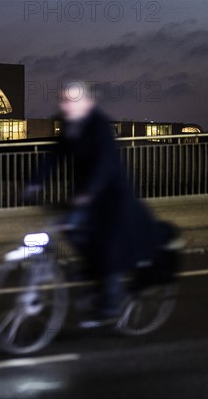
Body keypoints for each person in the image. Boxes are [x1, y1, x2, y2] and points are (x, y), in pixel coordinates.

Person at [26, 81, 161, 325]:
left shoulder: (99, 127)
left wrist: (87, 194)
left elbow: (105, 165)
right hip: (87, 195)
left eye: (71, 100)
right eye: (63, 99)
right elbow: (55, 155)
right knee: (71, 229)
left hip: (112, 198)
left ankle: (111, 303)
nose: (65, 104)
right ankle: (93, 272)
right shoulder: (71, 127)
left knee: (107, 245)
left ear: (88, 102)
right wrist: (35, 183)